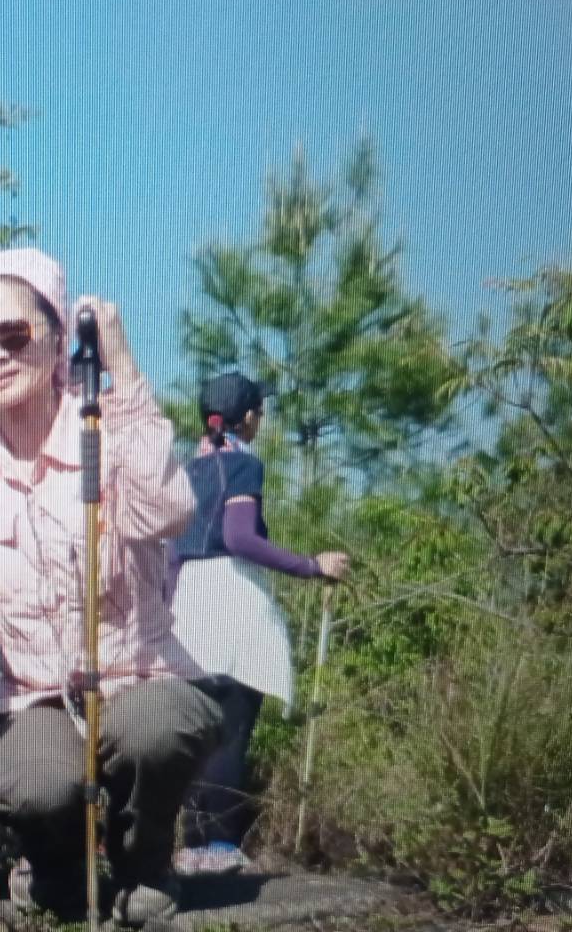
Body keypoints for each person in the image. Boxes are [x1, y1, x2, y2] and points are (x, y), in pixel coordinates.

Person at [0, 247, 222, 927]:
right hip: (30, 695)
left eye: (13, 334)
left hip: (140, 677)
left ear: (57, 341)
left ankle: (145, 862)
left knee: (158, 729)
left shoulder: (112, 429)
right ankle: (56, 866)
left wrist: (121, 363)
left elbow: (168, 512)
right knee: (38, 785)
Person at [165, 372, 350, 875]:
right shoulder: (242, 464)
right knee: (231, 727)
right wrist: (310, 566)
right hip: (230, 599)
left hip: (185, 603)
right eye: (260, 413)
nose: (261, 421)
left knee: (196, 730)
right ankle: (220, 845)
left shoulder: (184, 470)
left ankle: (193, 846)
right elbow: (240, 536)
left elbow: (170, 552)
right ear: (247, 417)